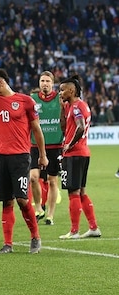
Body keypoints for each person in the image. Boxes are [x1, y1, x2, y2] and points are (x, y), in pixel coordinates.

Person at [0, 68, 48, 254]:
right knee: (6, 201)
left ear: (1, 83)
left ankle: (35, 237)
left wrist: (42, 155)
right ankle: (8, 244)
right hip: (1, 157)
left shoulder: (25, 101)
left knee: (22, 199)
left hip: (20, 157)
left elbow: (37, 130)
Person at [57, 75, 102, 239]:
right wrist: (62, 109)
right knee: (81, 191)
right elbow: (64, 128)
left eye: (62, 90)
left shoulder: (76, 107)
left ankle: (74, 231)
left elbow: (81, 127)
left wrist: (69, 144)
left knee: (73, 192)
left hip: (75, 154)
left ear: (71, 90)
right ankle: (93, 228)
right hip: (82, 153)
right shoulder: (74, 106)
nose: (60, 93)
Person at [30, 71, 63, 225]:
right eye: (42, 80)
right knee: (33, 177)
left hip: (55, 146)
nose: (44, 83)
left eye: (48, 81)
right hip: (35, 145)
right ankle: (38, 208)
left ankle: (50, 215)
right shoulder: (32, 99)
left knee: (52, 181)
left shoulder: (60, 99)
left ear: (53, 83)